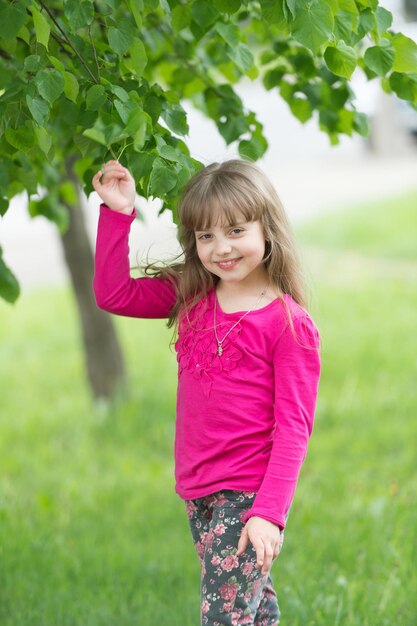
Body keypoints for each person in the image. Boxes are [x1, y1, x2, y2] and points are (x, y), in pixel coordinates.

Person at [92, 158, 321, 626]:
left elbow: (294, 428)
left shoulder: (287, 324)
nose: (221, 248)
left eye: (236, 230)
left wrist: (268, 514)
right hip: (197, 490)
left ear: (267, 229)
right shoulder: (192, 294)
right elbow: (113, 294)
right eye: (206, 236)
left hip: (247, 496)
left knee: (224, 617)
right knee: (252, 615)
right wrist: (118, 212)